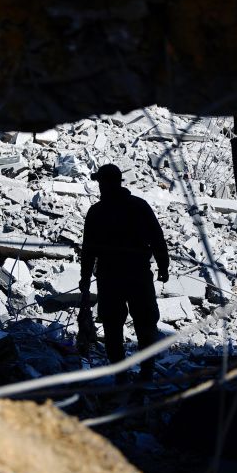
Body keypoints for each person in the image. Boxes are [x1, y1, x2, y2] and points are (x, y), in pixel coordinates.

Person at [79, 163, 169, 382]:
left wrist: (85, 279)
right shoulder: (139, 207)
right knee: (143, 324)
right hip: (137, 276)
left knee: (114, 327)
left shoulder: (97, 212)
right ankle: (144, 373)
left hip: (111, 279)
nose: (100, 187)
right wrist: (163, 266)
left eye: (101, 182)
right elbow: (157, 239)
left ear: (105, 183)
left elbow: (89, 251)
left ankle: (121, 375)